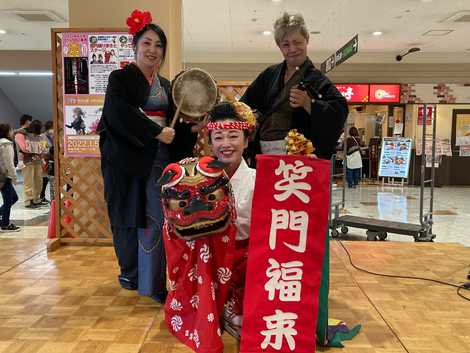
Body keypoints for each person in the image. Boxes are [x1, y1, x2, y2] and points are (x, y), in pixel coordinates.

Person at [97, 9, 197, 300]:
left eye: (158, 45)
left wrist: (190, 129)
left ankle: (152, 283)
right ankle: (132, 273)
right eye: (147, 43)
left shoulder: (166, 86)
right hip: (127, 162)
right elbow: (117, 113)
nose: (153, 50)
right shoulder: (120, 78)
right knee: (129, 217)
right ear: (135, 46)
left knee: (157, 219)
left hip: (159, 159)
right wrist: (154, 131)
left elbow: (174, 125)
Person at [240, 12, 348, 163]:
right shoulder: (270, 74)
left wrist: (309, 104)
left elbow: (340, 111)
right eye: (286, 44)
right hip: (264, 153)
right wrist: (253, 119)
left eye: (297, 42)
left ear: (306, 40)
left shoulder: (317, 80)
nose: (292, 48)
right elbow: (244, 105)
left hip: (298, 157)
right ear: (279, 46)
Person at [207, 102, 256, 338]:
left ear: (246, 141)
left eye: (233, 136)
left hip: (246, 258)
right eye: (218, 137)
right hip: (211, 257)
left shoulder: (260, 180)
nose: (226, 144)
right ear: (211, 143)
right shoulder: (201, 180)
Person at [15, 119, 48, 208]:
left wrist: (41, 154)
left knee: (39, 181)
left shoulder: (40, 137)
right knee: (28, 181)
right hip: (28, 161)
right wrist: (36, 152)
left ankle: (36, 199)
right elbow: (24, 149)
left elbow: (44, 148)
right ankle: (28, 201)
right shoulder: (25, 136)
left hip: (37, 161)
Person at [0, 124, 20, 232]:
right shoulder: (6, 144)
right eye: (11, 130)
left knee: (14, 198)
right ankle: (5, 224)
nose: (13, 132)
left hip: (2, 175)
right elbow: (9, 163)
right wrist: (14, 176)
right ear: (7, 132)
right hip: (4, 176)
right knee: (8, 201)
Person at [40, 121, 54, 203]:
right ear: (49, 128)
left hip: (50, 159)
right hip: (45, 160)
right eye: (52, 128)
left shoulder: (51, 136)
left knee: (46, 180)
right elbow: (44, 150)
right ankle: (41, 196)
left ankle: (42, 196)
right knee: (44, 179)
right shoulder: (43, 137)